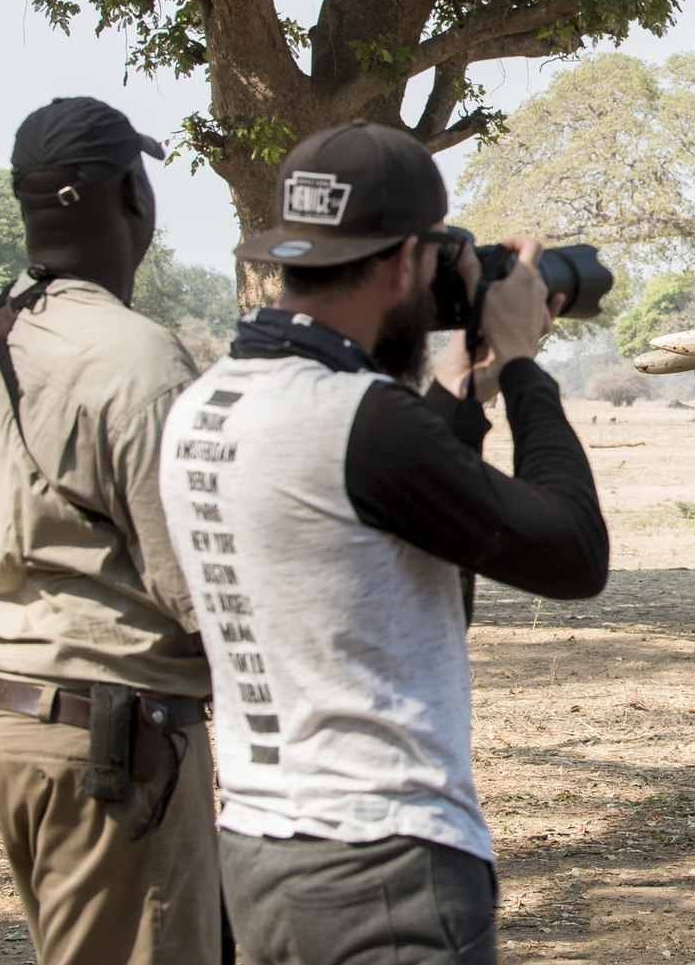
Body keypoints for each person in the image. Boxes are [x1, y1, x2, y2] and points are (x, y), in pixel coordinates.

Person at [160, 120, 609, 965]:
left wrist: (459, 392)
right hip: (383, 865)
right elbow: (574, 552)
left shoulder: (207, 404)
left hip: (260, 849)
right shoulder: (357, 419)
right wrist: (523, 365)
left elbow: (411, 560)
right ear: (407, 261)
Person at [0, 97, 219, 965]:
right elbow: (195, 584)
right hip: (110, 734)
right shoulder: (135, 357)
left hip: (1, 719)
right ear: (132, 193)